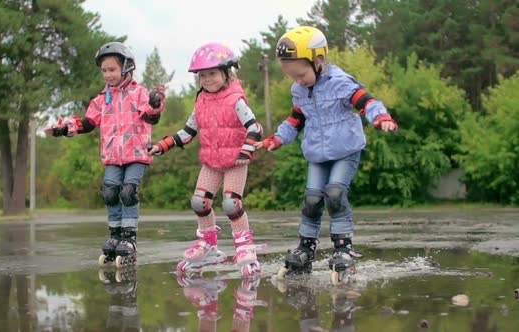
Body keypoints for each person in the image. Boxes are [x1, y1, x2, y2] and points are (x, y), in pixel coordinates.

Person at [255, 26, 398, 283]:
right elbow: (295, 119)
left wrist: (381, 117)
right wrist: (277, 138)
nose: (298, 81)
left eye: (301, 74)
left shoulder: (340, 82)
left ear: (318, 61)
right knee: (311, 200)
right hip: (317, 154)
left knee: (335, 193)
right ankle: (306, 250)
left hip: (346, 150)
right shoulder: (299, 90)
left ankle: (344, 249)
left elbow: (367, 102)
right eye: (292, 76)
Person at [45, 42, 166, 268]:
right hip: (112, 156)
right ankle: (115, 235)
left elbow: (151, 117)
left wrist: (155, 103)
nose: (108, 74)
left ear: (127, 68)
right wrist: (63, 129)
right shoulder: (102, 99)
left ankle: (129, 239)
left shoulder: (139, 93)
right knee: (110, 192)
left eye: (112, 69)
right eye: (104, 70)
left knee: (128, 191)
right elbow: (88, 123)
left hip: (137, 153)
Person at [148, 42, 263, 278]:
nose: (207, 79)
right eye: (203, 75)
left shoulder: (235, 99)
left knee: (231, 204)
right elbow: (188, 132)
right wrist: (163, 145)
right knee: (199, 203)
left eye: (212, 73)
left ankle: (244, 246)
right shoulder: (201, 102)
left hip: (235, 161)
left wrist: (247, 150)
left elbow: (254, 127)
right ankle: (208, 244)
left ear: (226, 72)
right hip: (211, 161)